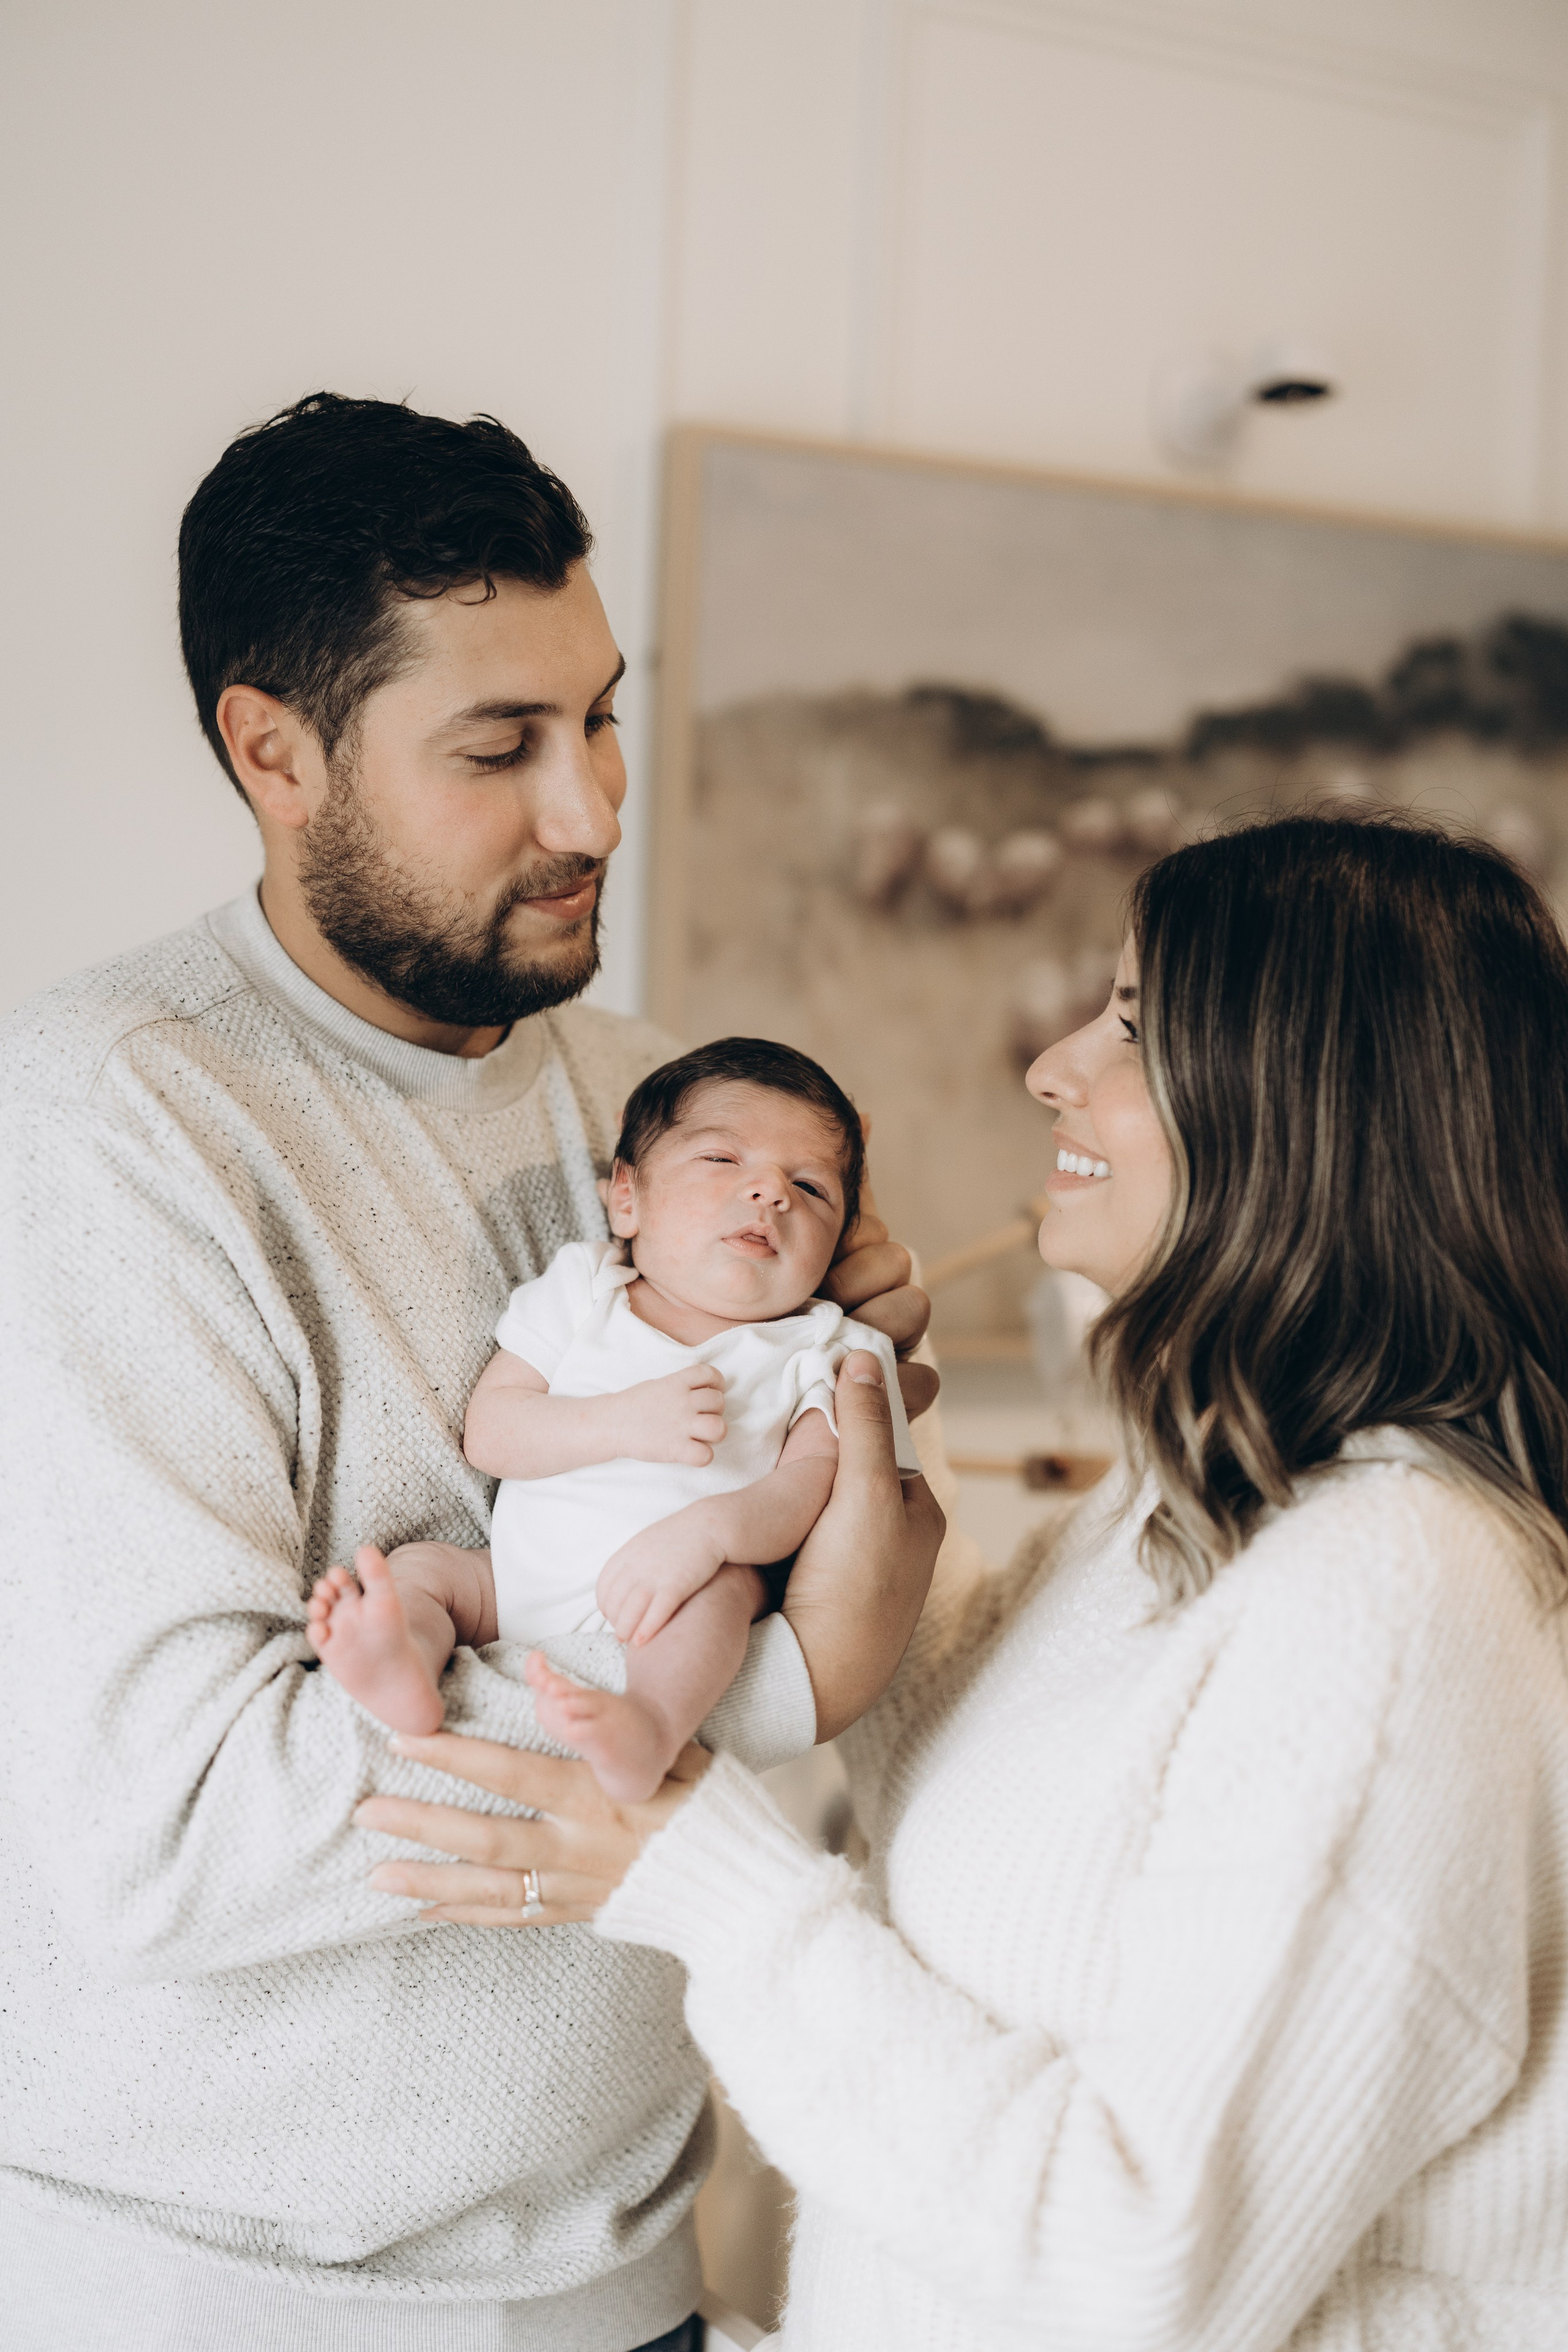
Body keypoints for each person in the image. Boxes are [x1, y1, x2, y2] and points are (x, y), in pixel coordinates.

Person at [364, 815, 1568, 2352]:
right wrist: (841, 1467)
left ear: (1307, 1109)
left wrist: (694, 1874)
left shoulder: (1396, 1595)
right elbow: (991, 1757)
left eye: (1129, 1024)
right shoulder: (1196, 1500)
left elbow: (1136, 2270)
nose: (1050, 1065)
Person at [0, 393, 942, 2352]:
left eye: (596, 714)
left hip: (631, 2274)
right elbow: (174, 1821)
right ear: (274, 750)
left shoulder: (655, 1098)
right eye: (499, 746)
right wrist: (765, 1675)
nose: (594, 807)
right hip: (229, 2309)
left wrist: (839, 1422)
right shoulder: (113, 1123)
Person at [309, 1036, 919, 1800]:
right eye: (723, 1161)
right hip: (512, 1584)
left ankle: (650, 1725)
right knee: (423, 1573)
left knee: (727, 1596)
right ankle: (403, 1665)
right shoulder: (583, 1290)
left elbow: (814, 1486)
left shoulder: (824, 1345)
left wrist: (711, 1534)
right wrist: (619, 1423)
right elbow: (492, 1432)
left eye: (811, 1186)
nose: (770, 1194)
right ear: (627, 1197)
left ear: (835, 1242)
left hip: (680, 1591)